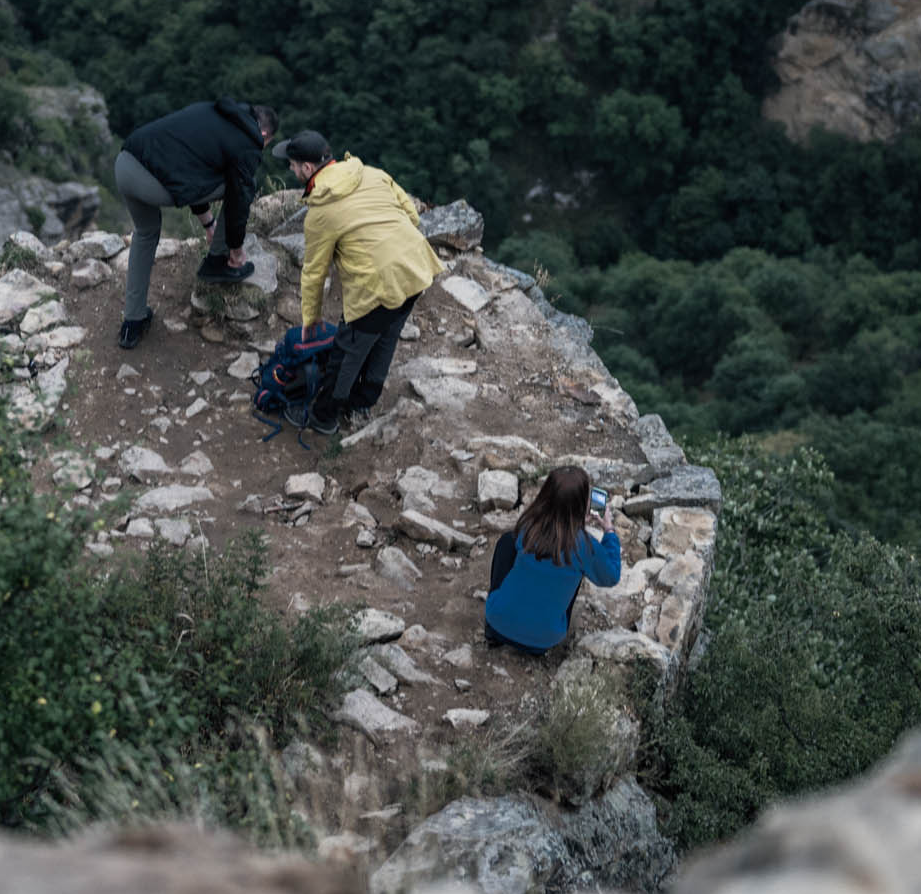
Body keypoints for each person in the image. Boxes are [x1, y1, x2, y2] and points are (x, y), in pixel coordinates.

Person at [280, 130, 442, 434]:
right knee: (387, 335)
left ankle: (325, 417)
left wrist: (310, 318)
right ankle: (364, 400)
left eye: (291, 164)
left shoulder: (320, 213)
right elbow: (413, 216)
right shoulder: (372, 173)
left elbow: (315, 273)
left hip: (378, 285)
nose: (290, 170)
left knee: (348, 351)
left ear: (306, 168)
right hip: (416, 267)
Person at [113, 97, 279, 349]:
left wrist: (209, 225)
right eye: (266, 143)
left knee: (145, 233)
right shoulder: (248, 142)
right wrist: (235, 250)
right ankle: (218, 262)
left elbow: (191, 171)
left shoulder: (217, 112)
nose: (262, 148)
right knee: (243, 186)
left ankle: (132, 323)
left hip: (125, 163)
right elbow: (238, 197)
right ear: (264, 133)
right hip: (153, 182)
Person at [482, 466, 621, 654]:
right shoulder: (584, 547)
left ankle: (494, 630)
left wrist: (575, 520)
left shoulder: (528, 525)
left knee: (507, 542)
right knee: (576, 570)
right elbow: (611, 576)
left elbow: (554, 530)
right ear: (581, 504)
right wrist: (609, 530)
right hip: (542, 641)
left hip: (497, 623)